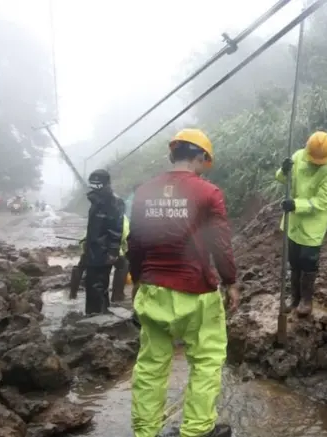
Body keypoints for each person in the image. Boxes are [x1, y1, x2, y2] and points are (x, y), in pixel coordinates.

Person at [127, 128, 239, 437]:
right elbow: (221, 243)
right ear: (201, 156)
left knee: (150, 366)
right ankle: (196, 430)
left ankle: (145, 432)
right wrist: (231, 283)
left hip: (152, 289)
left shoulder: (145, 191)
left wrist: (138, 280)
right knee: (206, 360)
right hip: (196, 293)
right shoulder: (208, 193)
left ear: (172, 154)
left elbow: (135, 242)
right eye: (206, 160)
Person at [276, 131, 327, 317]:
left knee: (308, 261)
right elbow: (282, 179)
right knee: (294, 260)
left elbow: (322, 202)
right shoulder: (297, 157)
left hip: (313, 224)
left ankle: (306, 299)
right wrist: (284, 170)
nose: (314, 163)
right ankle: (294, 298)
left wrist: (296, 205)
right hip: (294, 222)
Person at [81, 169, 125, 315]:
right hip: (92, 249)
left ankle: (96, 316)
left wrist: (113, 251)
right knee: (93, 283)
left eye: (98, 183)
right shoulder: (95, 200)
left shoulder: (114, 202)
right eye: (93, 183)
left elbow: (116, 228)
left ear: (106, 183)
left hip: (103, 251)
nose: (95, 186)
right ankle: (98, 313)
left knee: (98, 284)